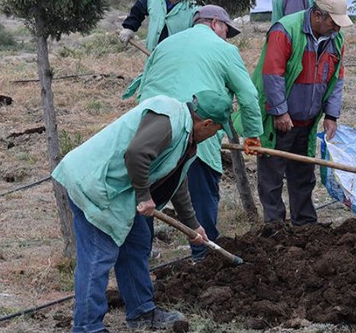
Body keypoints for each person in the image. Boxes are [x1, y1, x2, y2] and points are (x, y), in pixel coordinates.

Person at [52, 90, 234, 332]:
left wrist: (192, 224)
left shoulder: (187, 138)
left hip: (121, 193)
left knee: (137, 244)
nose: (216, 135)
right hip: (95, 185)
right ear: (207, 123)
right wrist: (144, 196)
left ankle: (141, 312)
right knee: (98, 257)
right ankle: (87, 326)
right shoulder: (169, 118)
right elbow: (136, 154)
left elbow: (175, 181)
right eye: (217, 129)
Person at [134, 5, 264, 260]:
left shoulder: (164, 45)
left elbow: (142, 87)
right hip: (196, 131)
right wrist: (251, 133)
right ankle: (203, 260)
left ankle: (140, 259)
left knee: (145, 197)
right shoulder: (224, 50)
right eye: (227, 29)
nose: (227, 35)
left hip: (148, 133)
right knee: (201, 197)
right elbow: (248, 95)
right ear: (216, 23)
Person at [251, 0, 353, 224]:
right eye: (334, 23)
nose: (337, 29)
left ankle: (305, 224)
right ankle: (275, 226)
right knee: (272, 175)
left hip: (307, 120)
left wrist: (331, 114)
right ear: (318, 15)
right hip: (280, 120)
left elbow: (337, 78)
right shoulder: (285, 30)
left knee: (304, 173)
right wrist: (280, 111)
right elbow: (272, 74)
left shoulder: (336, 40)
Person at [119, 0, 197, 52]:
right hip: (152, 56)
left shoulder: (195, 5)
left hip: (178, 60)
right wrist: (129, 27)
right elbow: (138, 10)